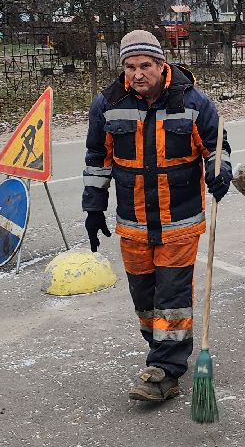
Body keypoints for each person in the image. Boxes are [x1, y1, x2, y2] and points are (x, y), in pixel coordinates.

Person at [82, 30, 232, 404]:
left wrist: (220, 171)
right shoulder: (107, 105)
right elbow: (96, 160)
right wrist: (93, 208)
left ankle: (165, 370)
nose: (137, 74)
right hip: (132, 224)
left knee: (172, 298)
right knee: (145, 300)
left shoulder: (193, 103)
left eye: (145, 65)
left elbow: (218, 147)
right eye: (130, 66)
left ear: (161, 64)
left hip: (179, 224)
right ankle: (161, 353)